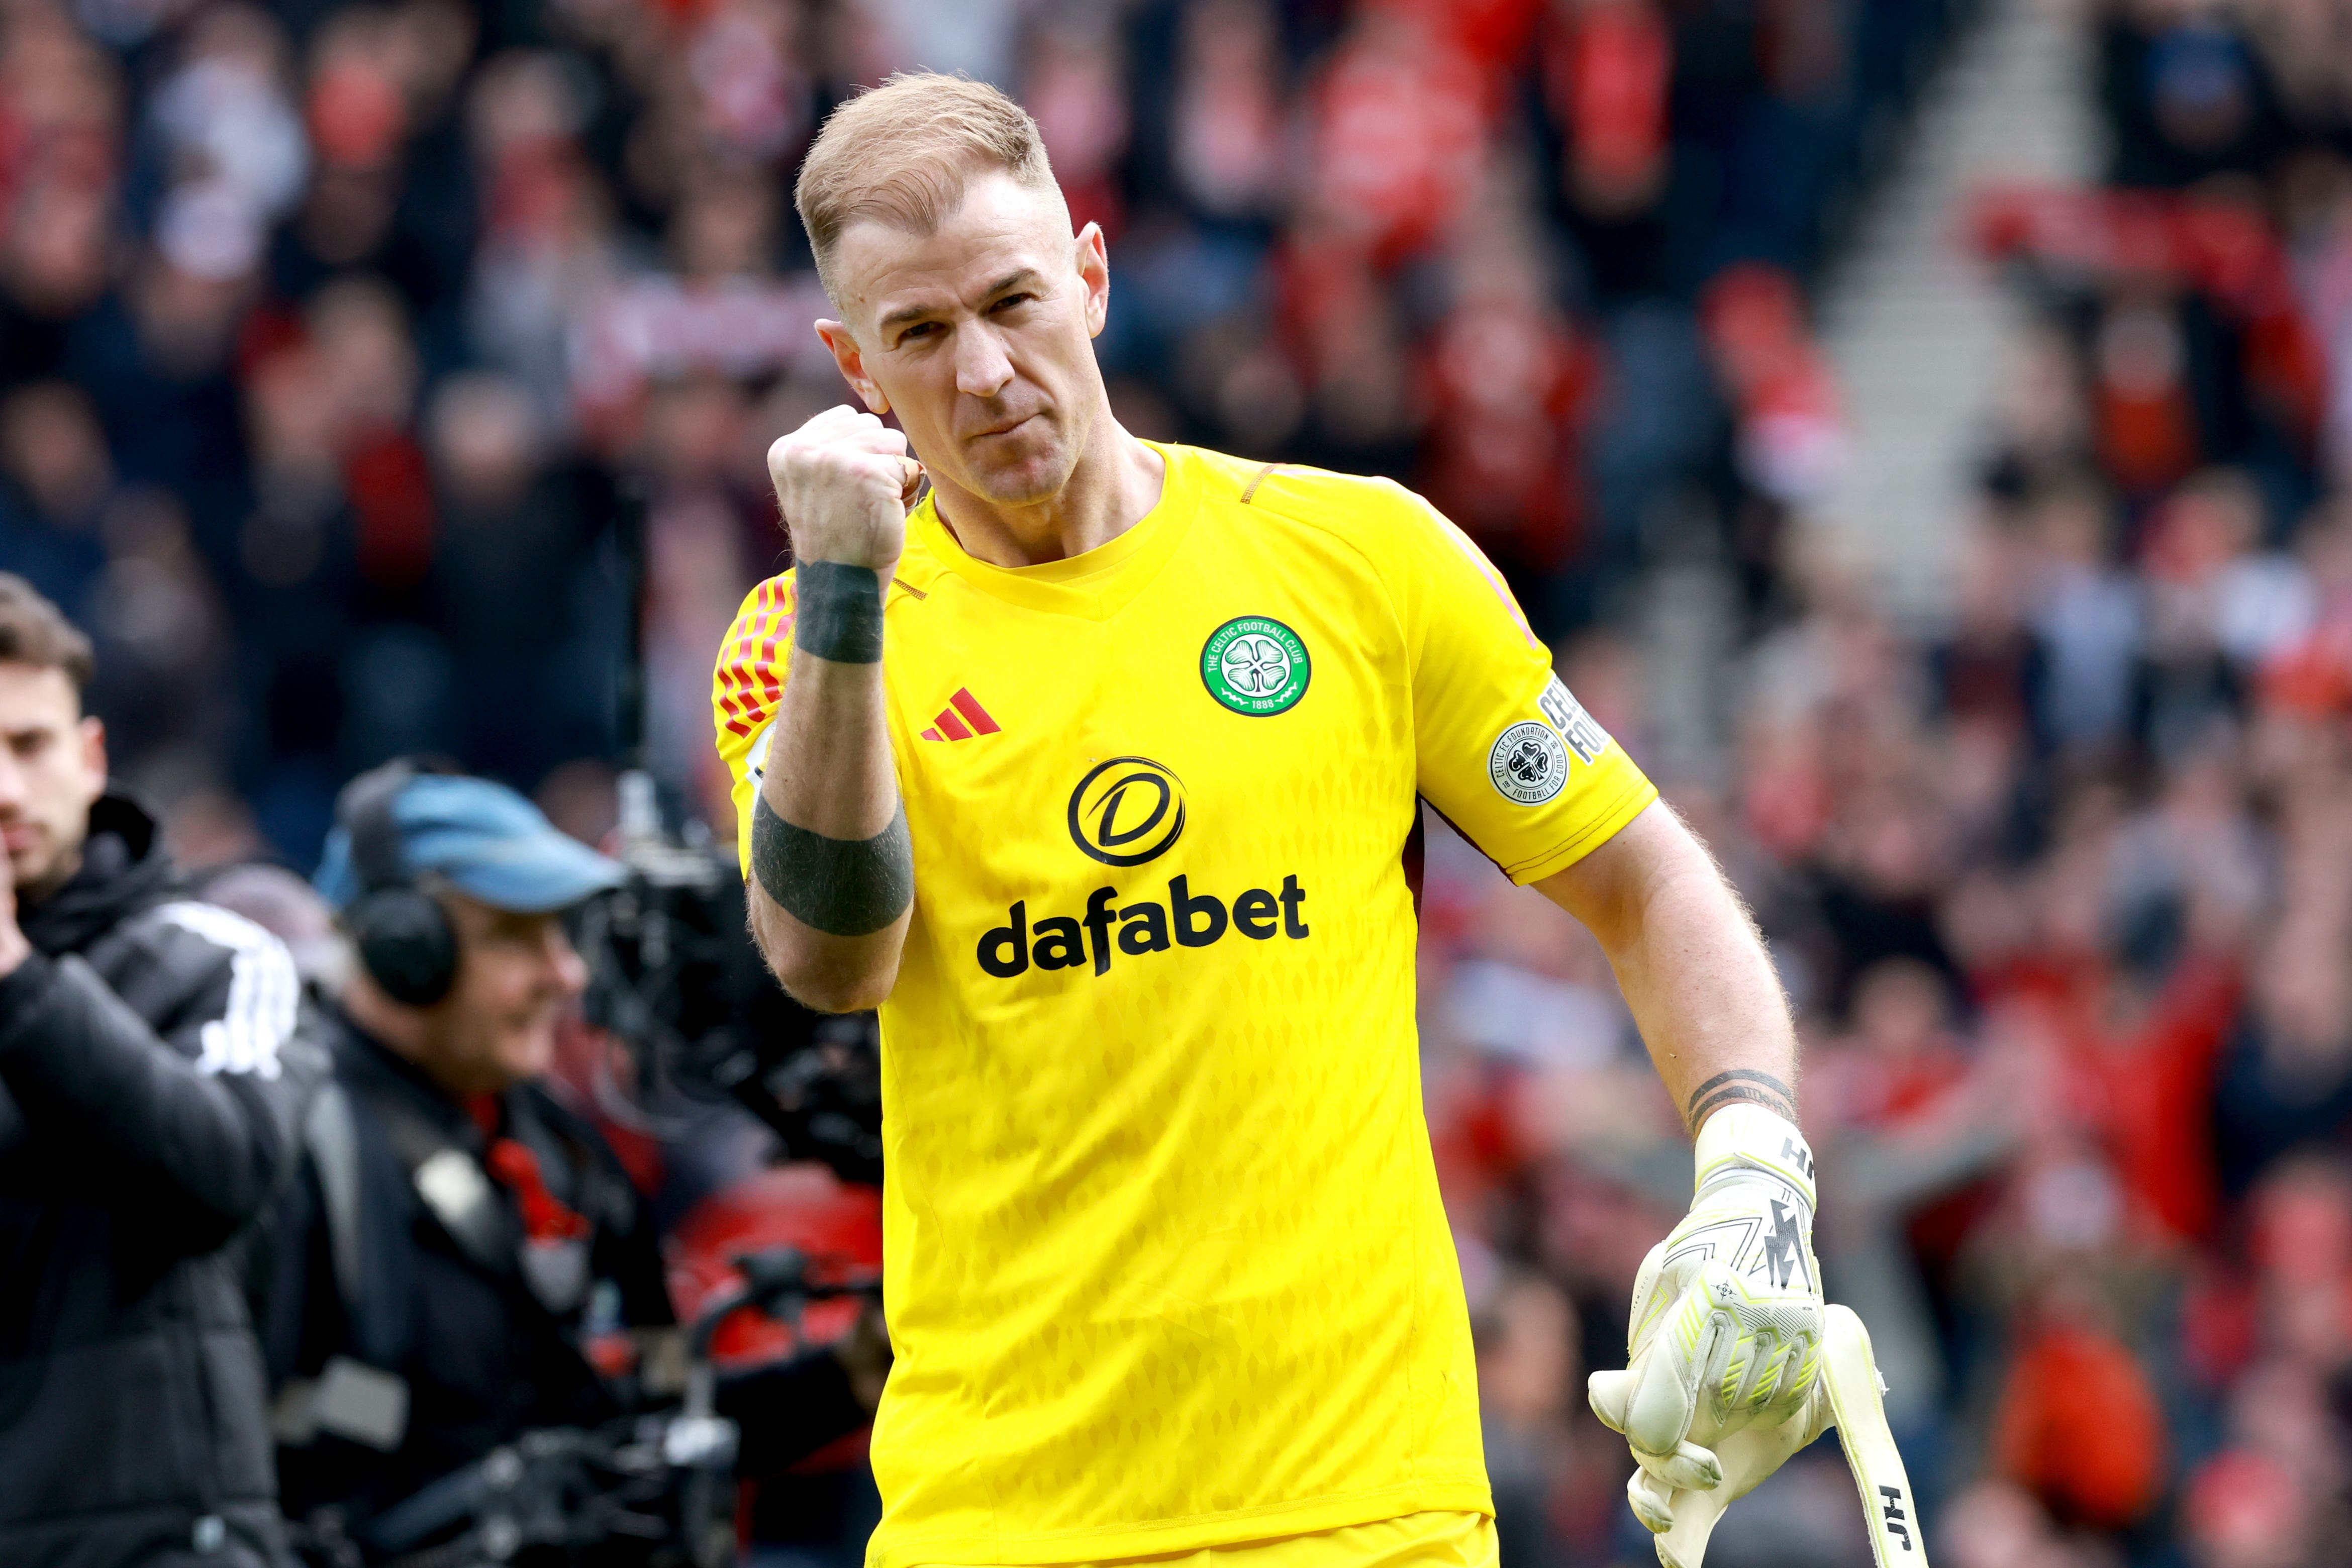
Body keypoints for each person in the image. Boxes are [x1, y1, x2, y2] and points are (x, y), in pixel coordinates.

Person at [711, 74, 1826, 1568]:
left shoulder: (1356, 561)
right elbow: (829, 957)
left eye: (1013, 301)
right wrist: (847, 594)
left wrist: (1753, 1153)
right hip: (1004, 1520)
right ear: (853, 365)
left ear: (1092, 279)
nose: (983, 372)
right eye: (920, 333)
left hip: (1368, 1513)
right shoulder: (802, 641)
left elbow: (1644, 883)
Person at [266, 760, 888, 1560]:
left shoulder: (559, 1150)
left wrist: (850, 1374)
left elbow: (641, 1432)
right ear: (401, 951)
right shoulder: (291, 1153)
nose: (566, 974)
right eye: (515, 938)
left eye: (560, 935)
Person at [0, 572, 319, 1568]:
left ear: (91, 758)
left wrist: (11, 972)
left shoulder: (218, 959)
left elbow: (221, 1172)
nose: (7, 791)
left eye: (29, 746)